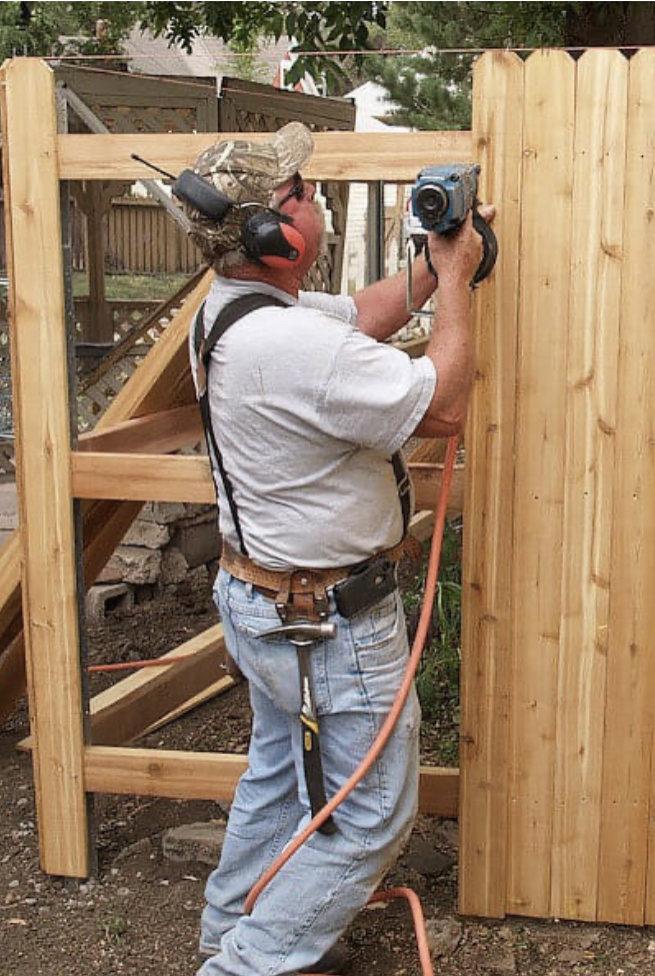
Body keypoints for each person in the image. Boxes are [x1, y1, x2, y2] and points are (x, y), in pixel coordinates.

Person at [179, 121, 493, 976]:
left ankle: (231, 926)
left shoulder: (237, 309)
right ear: (270, 235)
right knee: (374, 814)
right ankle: (246, 964)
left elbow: (363, 312)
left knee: (279, 778)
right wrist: (460, 285)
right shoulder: (288, 345)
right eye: (301, 194)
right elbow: (443, 406)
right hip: (323, 618)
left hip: (263, 600)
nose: (313, 199)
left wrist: (437, 255)